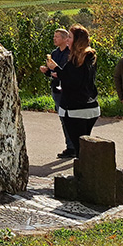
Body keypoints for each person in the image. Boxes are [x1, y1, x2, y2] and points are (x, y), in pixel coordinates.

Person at [49, 24, 99, 157]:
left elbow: (72, 81)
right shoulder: (90, 57)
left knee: (80, 148)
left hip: (74, 109)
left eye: (70, 37)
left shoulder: (77, 60)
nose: (67, 40)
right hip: (90, 107)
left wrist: (57, 69)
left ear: (76, 40)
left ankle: (83, 175)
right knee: (84, 145)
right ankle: (88, 172)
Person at [40, 29, 75, 157]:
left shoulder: (71, 54)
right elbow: (53, 73)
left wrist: (56, 72)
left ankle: (73, 146)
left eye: (57, 37)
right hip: (56, 89)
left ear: (66, 39)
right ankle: (70, 146)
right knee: (63, 118)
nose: (54, 39)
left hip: (68, 89)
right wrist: (47, 72)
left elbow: (67, 73)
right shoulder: (54, 53)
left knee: (70, 118)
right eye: (54, 37)